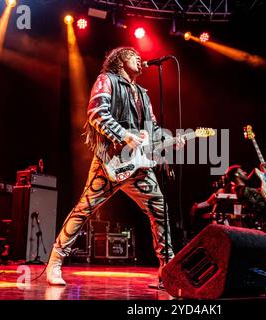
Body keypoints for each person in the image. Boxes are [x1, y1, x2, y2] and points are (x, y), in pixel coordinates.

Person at [46, 47, 184, 286]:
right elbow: (96, 113)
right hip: (111, 160)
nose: (140, 60)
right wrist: (124, 135)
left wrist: (169, 141)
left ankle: (167, 270)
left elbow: (151, 130)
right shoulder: (106, 80)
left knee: (160, 210)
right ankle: (55, 261)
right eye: (133, 56)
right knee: (84, 209)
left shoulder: (143, 93)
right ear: (119, 60)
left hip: (139, 165)